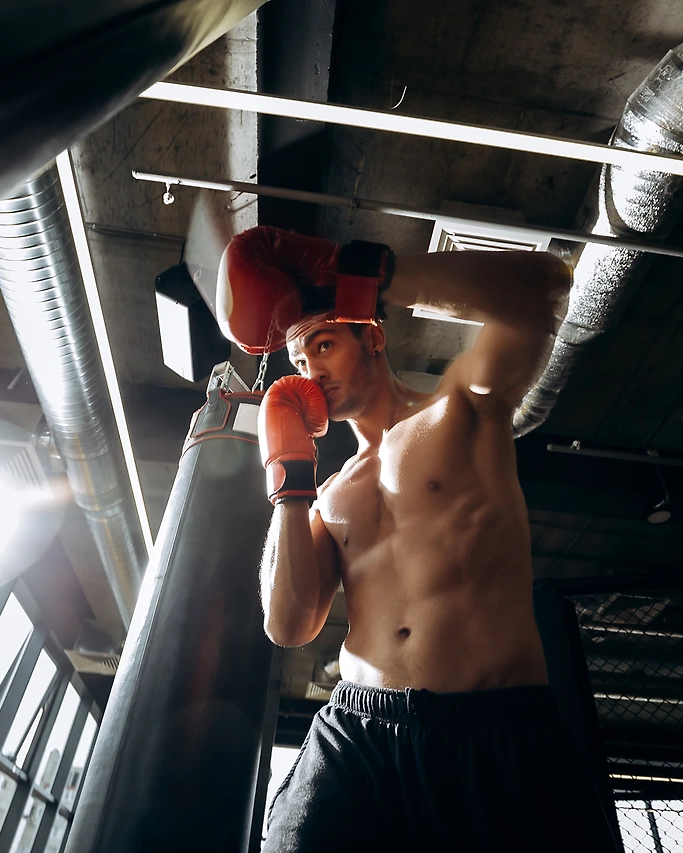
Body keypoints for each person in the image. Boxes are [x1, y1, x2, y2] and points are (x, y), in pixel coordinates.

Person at [216, 226, 619, 851]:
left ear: (370, 336)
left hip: (494, 729)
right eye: (298, 363)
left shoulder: (462, 411)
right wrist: (290, 480)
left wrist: (360, 270)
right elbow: (289, 625)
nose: (310, 373)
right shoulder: (329, 494)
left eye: (323, 346)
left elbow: (542, 292)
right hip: (357, 730)